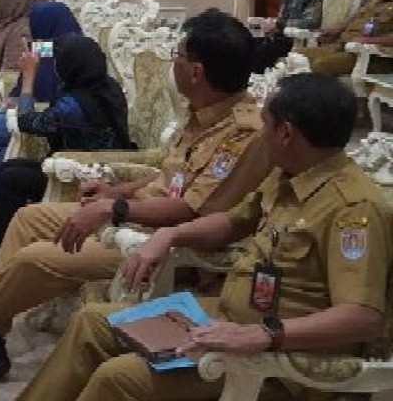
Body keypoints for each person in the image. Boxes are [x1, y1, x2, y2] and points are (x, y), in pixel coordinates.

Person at [21, 73, 392, 401]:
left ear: (286, 133)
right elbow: (232, 222)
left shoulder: (353, 209)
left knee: (119, 379)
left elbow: (362, 317)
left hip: (278, 361)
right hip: (227, 318)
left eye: (265, 124)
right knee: (92, 324)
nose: (260, 133)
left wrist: (265, 335)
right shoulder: (290, 174)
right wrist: (170, 235)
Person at [0, 9, 269, 380]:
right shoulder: (201, 113)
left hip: (160, 244)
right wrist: (114, 192)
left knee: (36, 259)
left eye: (176, 56)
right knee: (29, 218)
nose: (171, 64)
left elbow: (190, 209)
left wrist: (114, 208)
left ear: (196, 72)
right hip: (137, 214)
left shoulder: (242, 134)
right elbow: (166, 176)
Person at [0, 36, 132, 281]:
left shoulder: (74, 106)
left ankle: (2, 260)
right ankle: (2, 252)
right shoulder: (105, 87)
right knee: (11, 168)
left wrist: (28, 77)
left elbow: (27, 121)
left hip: (81, 174)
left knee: (12, 177)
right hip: (91, 163)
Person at [0, 2, 82, 215]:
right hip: (24, 108)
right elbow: (25, 72)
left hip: (42, 114)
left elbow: (47, 91)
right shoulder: (47, 45)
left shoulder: (72, 53)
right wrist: (13, 91)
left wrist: (24, 87)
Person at [300, 0, 393, 76]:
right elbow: (354, 18)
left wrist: (368, 41)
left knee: (320, 65)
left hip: (372, 56)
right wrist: (335, 31)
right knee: (297, 56)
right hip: (343, 46)